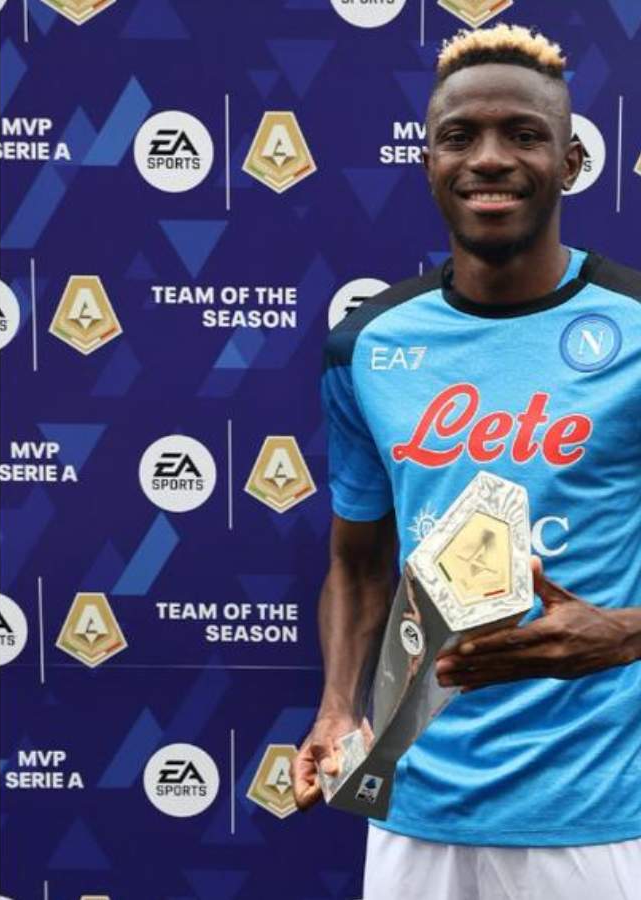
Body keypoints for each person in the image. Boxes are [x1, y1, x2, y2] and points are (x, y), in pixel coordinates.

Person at [293, 23, 641, 900]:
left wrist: (627, 631)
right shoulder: (367, 346)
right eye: (461, 137)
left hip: (597, 813)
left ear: (569, 161)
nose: (489, 159)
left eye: (522, 135)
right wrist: (339, 708)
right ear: (428, 160)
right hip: (414, 804)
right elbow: (358, 562)